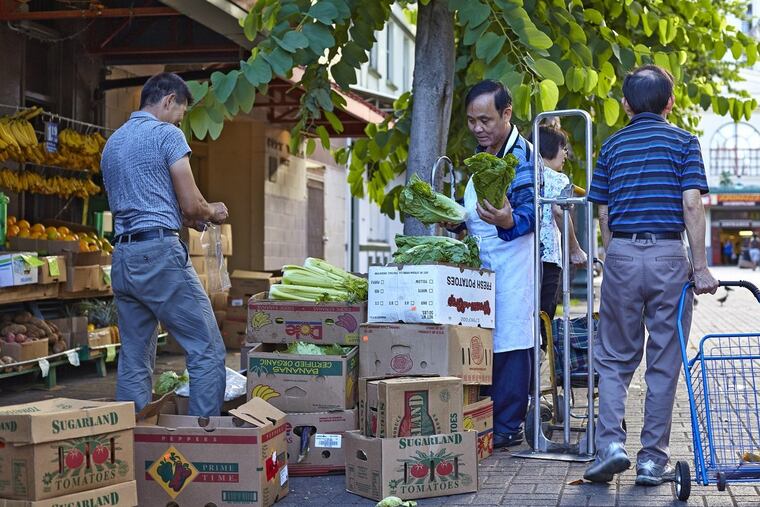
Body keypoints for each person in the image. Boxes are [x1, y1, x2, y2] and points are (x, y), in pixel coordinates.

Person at [584, 65, 719, 485]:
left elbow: (602, 211)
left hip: (622, 252)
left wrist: (615, 255)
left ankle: (609, 445)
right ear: (670, 102)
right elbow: (692, 205)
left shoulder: (611, 147)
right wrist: (700, 268)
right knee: (663, 362)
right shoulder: (684, 142)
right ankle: (650, 461)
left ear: (625, 104)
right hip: (667, 254)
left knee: (613, 358)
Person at [101, 72, 229, 417]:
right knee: (206, 348)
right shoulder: (166, 135)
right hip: (159, 256)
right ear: (169, 100)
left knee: (135, 356)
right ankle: (203, 441)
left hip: (124, 258)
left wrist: (184, 215)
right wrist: (211, 211)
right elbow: (191, 204)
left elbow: (145, 199)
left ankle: (131, 443)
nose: (180, 122)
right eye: (182, 114)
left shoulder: (114, 142)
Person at [445, 80, 536, 448]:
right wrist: (457, 220)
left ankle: (507, 425)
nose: (478, 129)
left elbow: (532, 214)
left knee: (512, 340)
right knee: (483, 342)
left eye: (485, 120)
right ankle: (485, 418)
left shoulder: (522, 157)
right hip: (482, 266)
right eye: (471, 121)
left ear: (507, 113)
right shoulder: (485, 153)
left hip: (514, 264)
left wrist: (508, 221)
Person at [533, 125, 587, 344]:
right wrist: (575, 250)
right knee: (544, 319)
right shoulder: (559, 179)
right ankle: (540, 366)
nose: (565, 154)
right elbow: (558, 211)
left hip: (522, 256)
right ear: (549, 148)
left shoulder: (523, 174)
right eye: (562, 147)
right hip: (548, 260)